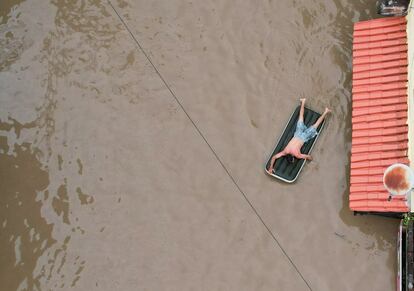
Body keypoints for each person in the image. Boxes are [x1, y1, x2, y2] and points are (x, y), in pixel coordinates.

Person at [266, 98, 331, 174]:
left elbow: (309, 157)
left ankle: (326, 111)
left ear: (292, 157)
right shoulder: (285, 151)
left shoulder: (297, 155)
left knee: (316, 125)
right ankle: (303, 101)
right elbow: (274, 157)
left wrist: (312, 160)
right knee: (301, 117)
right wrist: (271, 167)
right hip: (297, 134)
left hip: (304, 137)